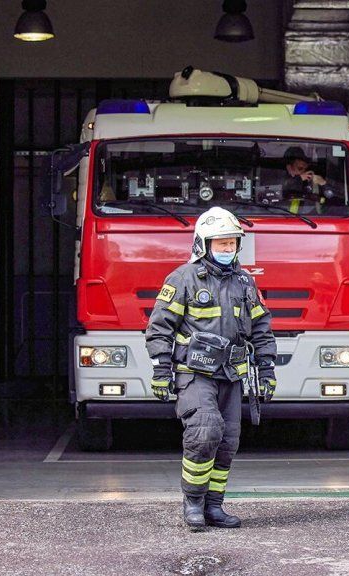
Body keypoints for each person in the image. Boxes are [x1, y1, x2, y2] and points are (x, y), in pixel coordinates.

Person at [145, 206, 277, 529]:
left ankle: (214, 506)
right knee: (205, 431)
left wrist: (267, 370)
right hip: (195, 375)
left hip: (231, 376)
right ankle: (192, 503)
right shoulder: (183, 279)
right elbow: (159, 327)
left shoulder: (245, 282)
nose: (227, 249)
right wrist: (162, 371)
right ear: (203, 244)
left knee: (228, 439)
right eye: (221, 244)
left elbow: (261, 328)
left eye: (232, 243)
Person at [281, 146, 329, 213]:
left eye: (305, 169)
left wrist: (324, 184)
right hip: (281, 218)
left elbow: (331, 200)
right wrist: (299, 179)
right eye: (300, 168)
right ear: (289, 168)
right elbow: (282, 190)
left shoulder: (309, 181)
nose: (304, 172)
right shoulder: (278, 178)